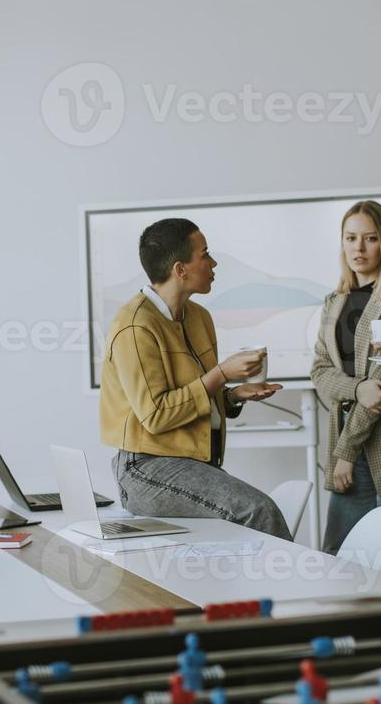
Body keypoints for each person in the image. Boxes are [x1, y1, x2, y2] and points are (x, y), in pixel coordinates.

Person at [101, 218, 291, 539]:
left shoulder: (199, 317)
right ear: (180, 269)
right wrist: (221, 375)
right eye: (205, 254)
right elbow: (156, 416)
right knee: (259, 510)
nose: (213, 263)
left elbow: (195, 396)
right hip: (146, 468)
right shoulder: (135, 325)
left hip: (194, 463)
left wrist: (234, 396)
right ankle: (289, 590)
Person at [309, 200, 381, 581]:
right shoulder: (333, 302)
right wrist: (357, 389)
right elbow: (320, 371)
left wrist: (346, 451)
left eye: (370, 239)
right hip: (346, 444)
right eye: (351, 238)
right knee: (340, 558)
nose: (359, 248)